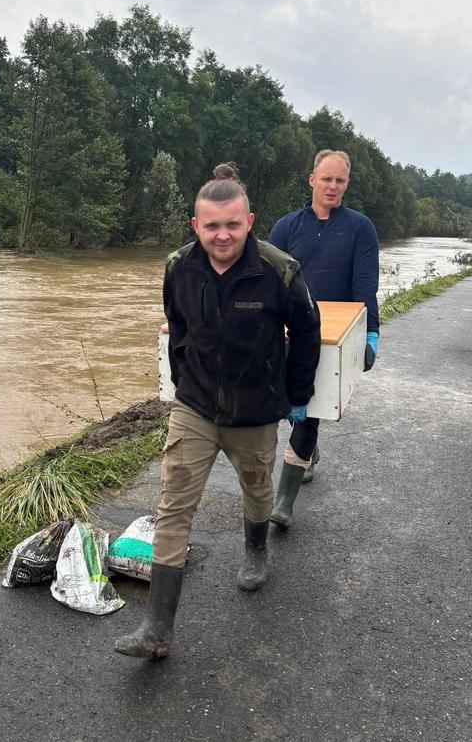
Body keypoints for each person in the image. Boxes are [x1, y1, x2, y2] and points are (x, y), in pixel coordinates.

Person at [115, 163, 321, 659]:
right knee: (173, 507)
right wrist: (186, 385)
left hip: (255, 411)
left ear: (250, 221)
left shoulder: (279, 269)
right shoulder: (177, 267)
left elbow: (308, 331)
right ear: (196, 227)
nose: (222, 234)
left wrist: (297, 396)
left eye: (232, 224)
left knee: (256, 491)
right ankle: (156, 630)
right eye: (212, 226)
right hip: (196, 408)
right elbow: (176, 328)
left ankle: (255, 550)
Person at [268, 149, 380, 529]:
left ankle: (283, 501)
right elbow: (270, 282)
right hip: (289, 329)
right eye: (326, 179)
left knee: (310, 409)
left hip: (334, 335)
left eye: (340, 181)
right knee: (288, 405)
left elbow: (366, 285)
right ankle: (308, 454)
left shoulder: (360, 228)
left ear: (347, 184)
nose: (333, 186)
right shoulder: (286, 227)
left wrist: (371, 334)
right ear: (311, 179)